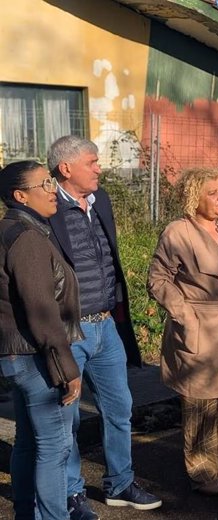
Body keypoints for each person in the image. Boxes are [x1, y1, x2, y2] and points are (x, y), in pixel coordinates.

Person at [46, 136, 162, 519]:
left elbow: (108, 256)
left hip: (105, 325)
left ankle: (120, 484)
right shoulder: (47, 211)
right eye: (92, 162)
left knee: (120, 407)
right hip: (68, 331)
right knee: (68, 418)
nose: (100, 168)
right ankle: (71, 494)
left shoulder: (101, 202)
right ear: (66, 168)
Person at [147, 168, 218, 496]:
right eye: (212, 192)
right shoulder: (177, 232)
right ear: (194, 197)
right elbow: (158, 279)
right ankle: (203, 473)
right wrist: (185, 315)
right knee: (202, 406)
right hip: (200, 328)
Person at [0, 161, 82, 520]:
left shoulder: (10, 230)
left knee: (28, 442)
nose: (53, 189)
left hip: (14, 356)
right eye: (45, 183)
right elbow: (41, 311)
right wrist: (67, 368)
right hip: (34, 357)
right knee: (54, 447)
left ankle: (24, 512)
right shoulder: (28, 238)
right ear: (20, 196)